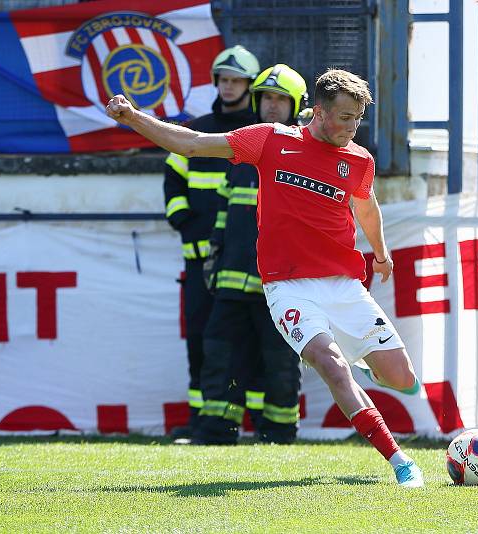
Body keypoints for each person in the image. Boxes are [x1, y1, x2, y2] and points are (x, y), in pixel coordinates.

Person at [106, 69, 425, 488]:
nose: (352, 128)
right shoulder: (271, 140)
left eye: (358, 119)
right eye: (345, 117)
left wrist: (380, 255)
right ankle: (401, 462)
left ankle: (361, 361)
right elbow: (191, 144)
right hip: (287, 287)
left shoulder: (358, 160)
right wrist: (132, 117)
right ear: (321, 110)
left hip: (343, 285)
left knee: (402, 379)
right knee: (331, 367)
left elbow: (366, 208)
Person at [195, 65, 308, 445]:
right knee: (220, 356)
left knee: (279, 362)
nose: (272, 106)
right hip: (232, 281)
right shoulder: (244, 153)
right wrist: (215, 256)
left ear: (296, 106)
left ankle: (278, 432)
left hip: (280, 286)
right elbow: (225, 217)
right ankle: (215, 431)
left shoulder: (307, 156)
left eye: (281, 99)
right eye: (267, 98)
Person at [162, 45, 261, 439]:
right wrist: (182, 219)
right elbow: (172, 178)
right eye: (223, 79)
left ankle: (255, 423)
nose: (229, 86)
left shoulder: (259, 135)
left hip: (244, 263)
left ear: (249, 86)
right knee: (202, 343)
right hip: (200, 260)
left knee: (252, 344)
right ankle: (202, 420)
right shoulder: (196, 130)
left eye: (237, 80)